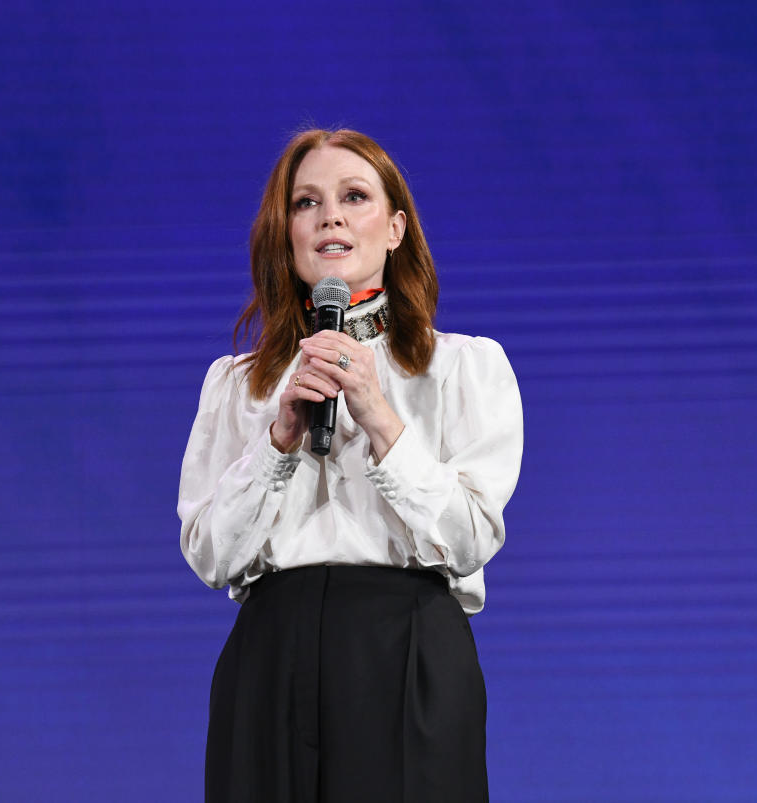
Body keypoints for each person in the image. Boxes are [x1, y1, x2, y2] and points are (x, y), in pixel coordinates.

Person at [179, 128, 523, 803]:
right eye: (306, 202)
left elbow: (469, 537)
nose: (329, 215)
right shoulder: (238, 383)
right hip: (270, 658)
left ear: (395, 228)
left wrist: (379, 415)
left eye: (354, 196)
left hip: (407, 651)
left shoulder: (463, 366)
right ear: (287, 232)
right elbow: (211, 553)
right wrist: (278, 437)